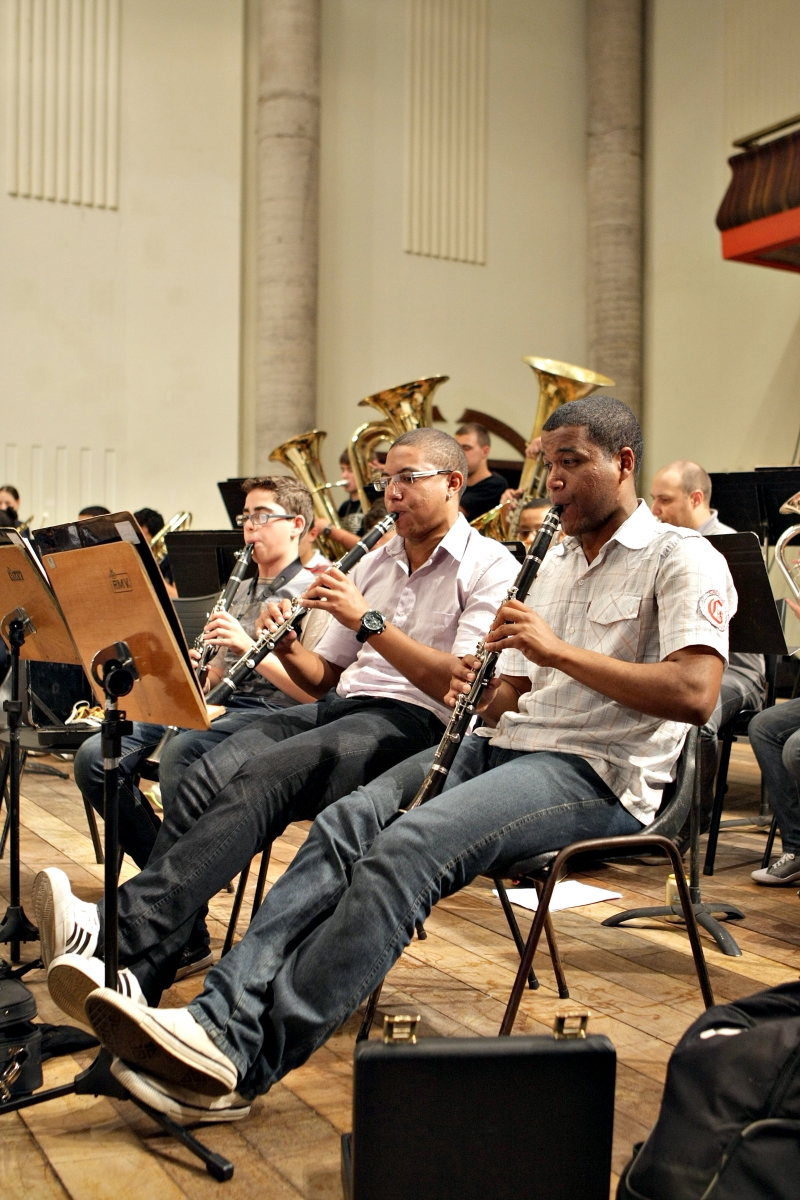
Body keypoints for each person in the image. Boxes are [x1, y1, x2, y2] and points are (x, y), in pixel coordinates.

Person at [39, 400, 735, 1124]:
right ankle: (217, 1010)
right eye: (548, 463)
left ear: (623, 463)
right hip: (504, 742)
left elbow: (693, 693)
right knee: (346, 825)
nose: (553, 481)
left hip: (597, 770)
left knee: (407, 848)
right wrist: (485, 687)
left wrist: (551, 650)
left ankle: (240, 1054)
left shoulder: (683, 557)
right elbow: (515, 693)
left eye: (571, 463)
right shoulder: (553, 560)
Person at [36, 428, 518, 1018]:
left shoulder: (493, 565)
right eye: (385, 480)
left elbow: (457, 686)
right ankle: (143, 971)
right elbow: (325, 677)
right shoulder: (376, 561)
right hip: (346, 707)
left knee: (267, 773)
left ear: (453, 483)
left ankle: (122, 927)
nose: (391, 494)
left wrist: (369, 625)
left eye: (407, 479)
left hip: (421, 725)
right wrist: (286, 644)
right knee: (207, 768)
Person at [71, 477, 320, 978]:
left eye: (263, 515)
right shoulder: (243, 582)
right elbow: (217, 674)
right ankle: (180, 902)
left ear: (297, 525)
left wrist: (250, 645)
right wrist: (198, 668)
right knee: (96, 758)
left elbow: (315, 690)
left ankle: (174, 926)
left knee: (184, 757)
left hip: (274, 715)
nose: (251, 527)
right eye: (246, 517)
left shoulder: (317, 585)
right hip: (221, 704)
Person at [649, 460, 766, 825]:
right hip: (678, 662)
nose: (655, 510)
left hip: (737, 671)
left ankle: (689, 822)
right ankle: (647, 811)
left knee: (698, 718)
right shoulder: (658, 545)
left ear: (696, 498)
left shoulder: (730, 545)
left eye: (664, 501)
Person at [455, 423, 508, 522]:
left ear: (485, 452)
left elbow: (453, 512)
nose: (459, 453)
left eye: (466, 448)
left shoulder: (495, 484)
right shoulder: (453, 481)